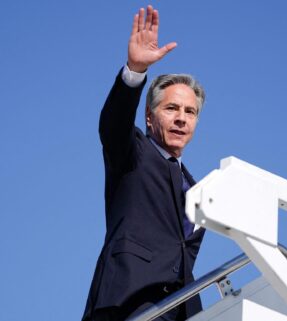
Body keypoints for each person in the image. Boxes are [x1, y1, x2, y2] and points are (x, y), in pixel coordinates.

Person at [82, 5, 206, 321]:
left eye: (190, 112)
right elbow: (113, 123)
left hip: (181, 310)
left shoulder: (198, 189)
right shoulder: (133, 152)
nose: (181, 118)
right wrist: (134, 71)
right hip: (128, 300)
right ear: (150, 118)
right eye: (172, 109)